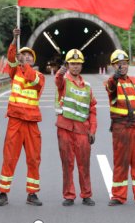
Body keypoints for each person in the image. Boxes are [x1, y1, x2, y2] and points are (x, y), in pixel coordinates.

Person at [0, 27, 45, 206]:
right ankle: (3, 193)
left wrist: (24, 64)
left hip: (31, 123)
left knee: (33, 159)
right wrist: (14, 40)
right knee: (9, 157)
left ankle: (32, 194)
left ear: (33, 60)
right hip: (15, 121)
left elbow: (31, 78)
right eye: (22, 55)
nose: (25, 57)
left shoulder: (39, 76)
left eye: (29, 56)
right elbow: (10, 57)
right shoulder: (14, 71)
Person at [104, 49, 135, 206]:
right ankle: (118, 196)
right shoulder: (111, 82)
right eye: (118, 64)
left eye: (124, 63)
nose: (122, 66)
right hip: (121, 128)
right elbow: (111, 88)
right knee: (121, 162)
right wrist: (115, 78)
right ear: (113, 66)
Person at [55, 49, 97, 207]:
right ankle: (69, 195)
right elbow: (58, 81)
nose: (75, 67)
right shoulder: (63, 81)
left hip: (82, 130)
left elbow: (92, 110)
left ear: (82, 65)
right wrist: (60, 72)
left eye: (78, 64)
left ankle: (86, 194)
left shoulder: (87, 86)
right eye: (72, 64)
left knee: (84, 164)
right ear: (67, 65)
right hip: (65, 128)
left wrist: (92, 130)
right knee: (67, 163)